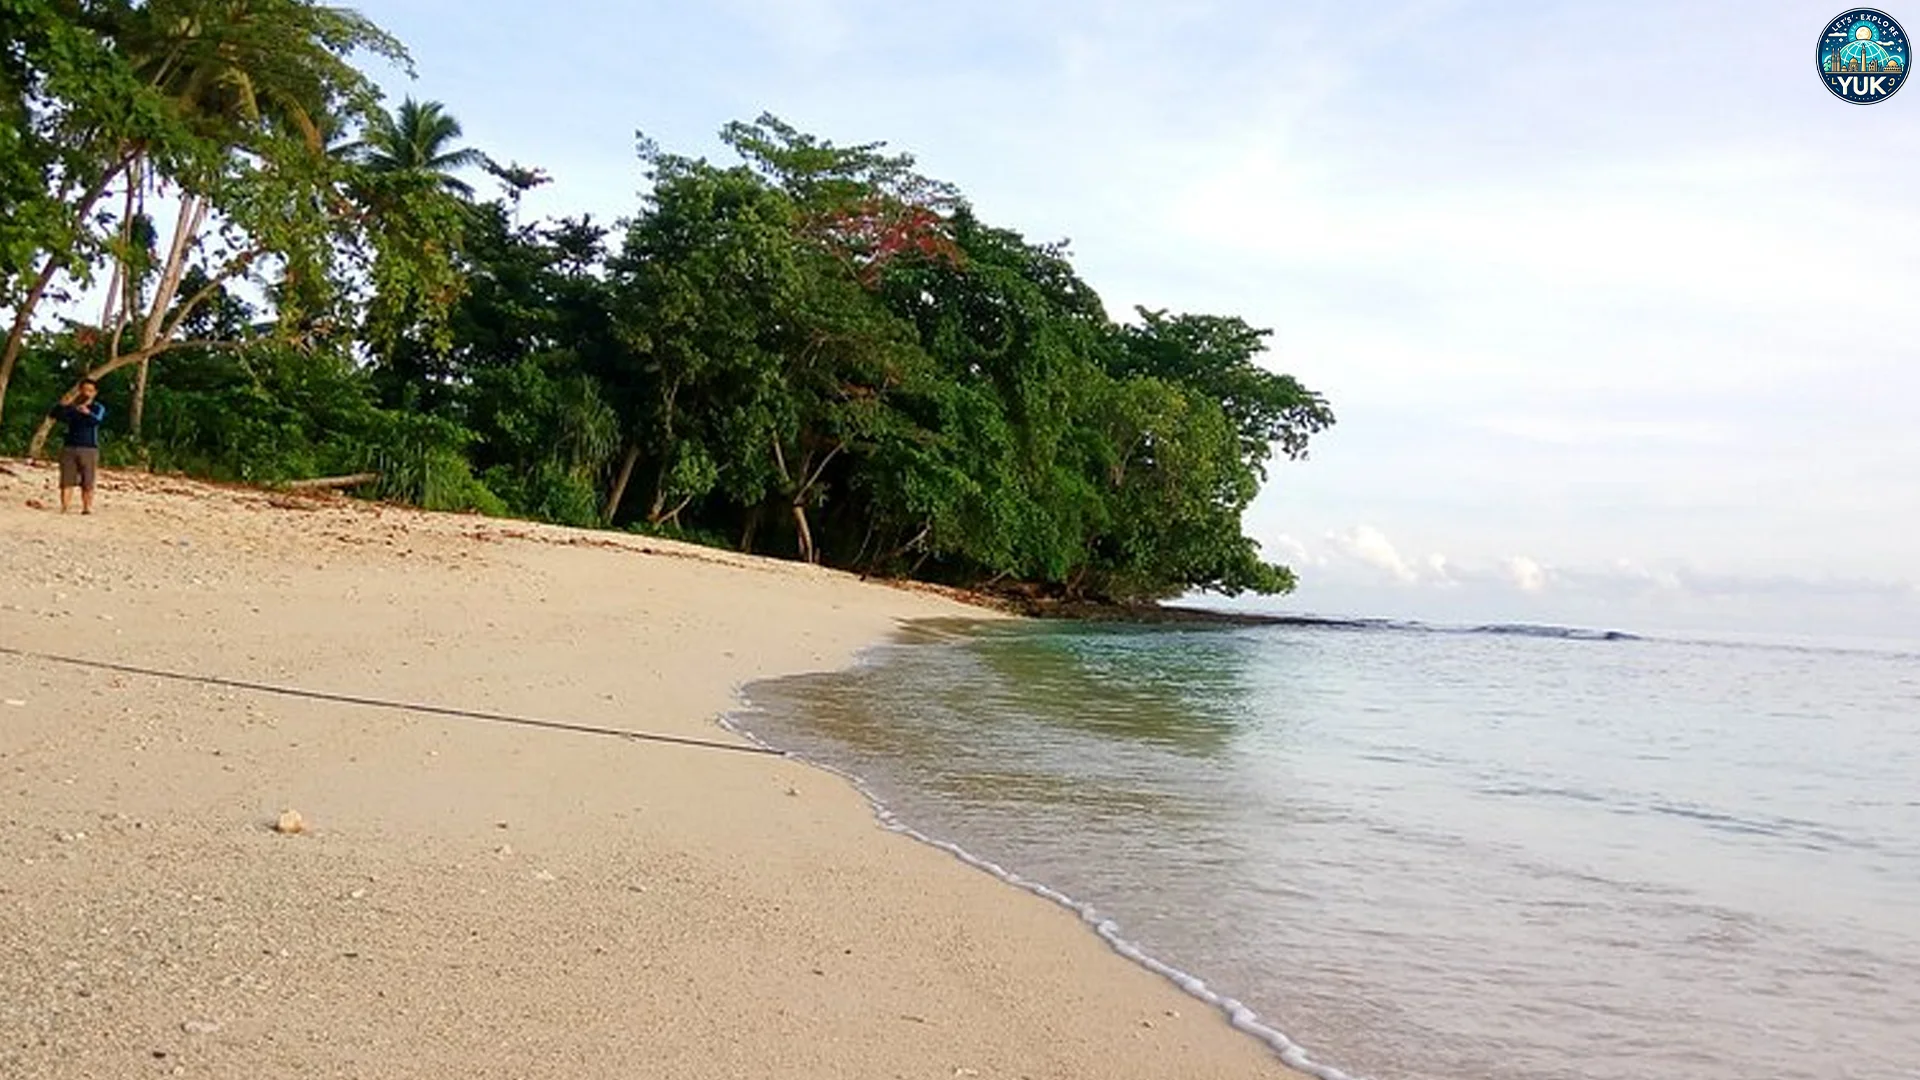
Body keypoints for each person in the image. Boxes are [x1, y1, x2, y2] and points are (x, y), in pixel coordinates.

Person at [47, 379, 106, 515]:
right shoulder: (72, 407)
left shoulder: (97, 407)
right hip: (69, 446)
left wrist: (87, 412)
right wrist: (63, 404)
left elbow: (97, 421)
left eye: (90, 390)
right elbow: (54, 414)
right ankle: (65, 507)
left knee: (88, 480)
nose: (86, 393)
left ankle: (87, 508)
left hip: (89, 447)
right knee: (67, 479)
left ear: (95, 393)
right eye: (84, 390)